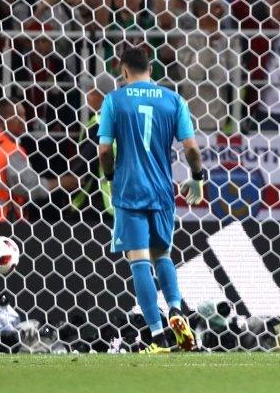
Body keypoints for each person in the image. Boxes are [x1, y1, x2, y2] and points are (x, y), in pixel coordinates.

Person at [97, 47, 204, 354]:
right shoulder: (174, 100)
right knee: (163, 254)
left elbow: (104, 151)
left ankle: (158, 336)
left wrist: (109, 176)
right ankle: (175, 310)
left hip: (129, 190)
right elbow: (192, 148)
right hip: (162, 190)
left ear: (123, 70)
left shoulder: (114, 101)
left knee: (139, 261)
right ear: (151, 70)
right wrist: (197, 177)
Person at [0, 100, 77, 223]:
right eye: (17, 116)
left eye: (24, 115)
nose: (23, 120)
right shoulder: (10, 152)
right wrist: (62, 182)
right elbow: (31, 187)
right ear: (2, 119)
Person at [70, 73, 117, 221]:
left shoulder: (99, 122)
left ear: (102, 96)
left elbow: (87, 159)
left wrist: (70, 177)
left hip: (99, 202)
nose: (88, 97)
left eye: (92, 92)